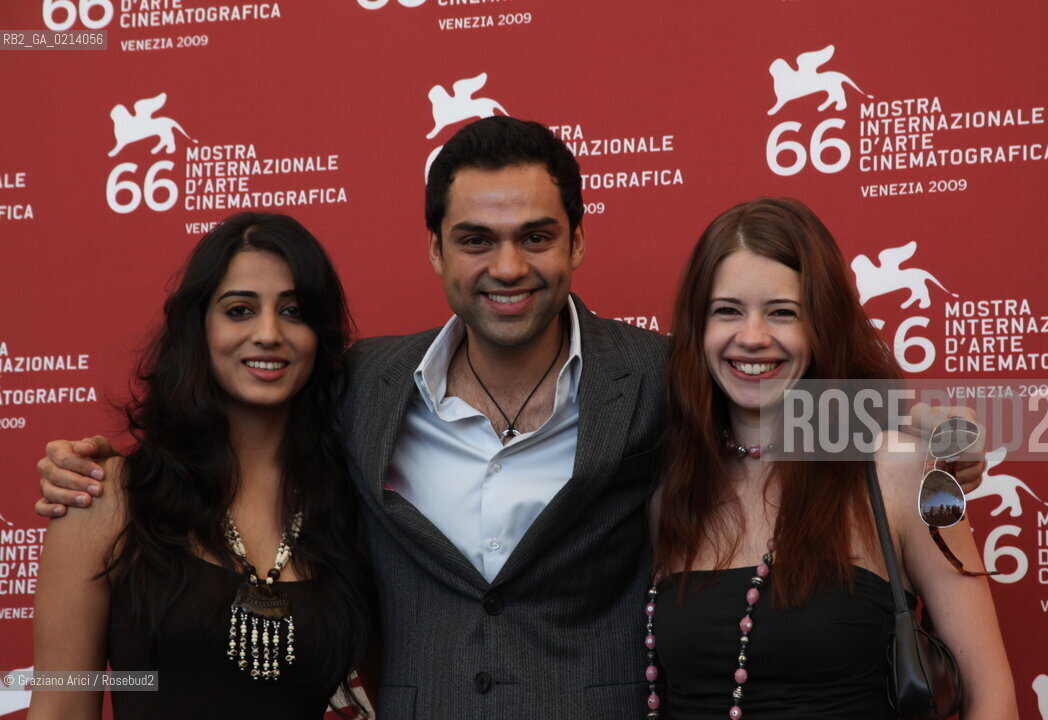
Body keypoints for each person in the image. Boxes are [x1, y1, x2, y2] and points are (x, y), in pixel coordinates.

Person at [34, 119, 986, 720]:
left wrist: (938, 446)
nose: (508, 266)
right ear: (437, 249)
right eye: (476, 239)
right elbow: (239, 415)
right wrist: (94, 469)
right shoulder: (361, 383)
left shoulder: (660, 379)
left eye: (536, 235)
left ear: (577, 238)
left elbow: (797, 414)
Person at [648, 197, 1016, 719]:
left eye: (782, 313)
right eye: (727, 310)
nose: (751, 337)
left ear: (823, 324)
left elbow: (991, 699)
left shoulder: (901, 468)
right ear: (696, 327)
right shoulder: (672, 487)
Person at [29, 213, 371, 719]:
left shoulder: (352, 506)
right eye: (239, 310)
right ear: (199, 326)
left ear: (319, 334)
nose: (269, 333)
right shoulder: (105, 495)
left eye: (294, 311)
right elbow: (60, 704)